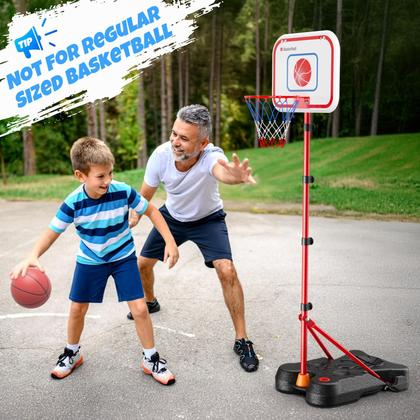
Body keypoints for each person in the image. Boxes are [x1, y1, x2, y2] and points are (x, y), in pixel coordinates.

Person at [11, 137, 179, 385]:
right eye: (100, 176)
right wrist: (33, 255)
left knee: (141, 309)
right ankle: (72, 352)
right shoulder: (73, 202)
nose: (107, 180)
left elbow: (152, 210)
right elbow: (52, 231)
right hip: (91, 259)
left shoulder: (122, 191)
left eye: (110, 173)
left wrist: (170, 241)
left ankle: (150, 358)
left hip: (123, 256)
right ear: (81, 175)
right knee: (78, 308)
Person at [127, 104, 259, 372]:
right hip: (173, 218)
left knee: (227, 269)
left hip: (208, 220)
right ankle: (151, 301)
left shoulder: (212, 155)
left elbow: (222, 171)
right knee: (142, 265)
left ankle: (242, 339)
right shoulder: (160, 156)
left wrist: (234, 177)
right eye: (174, 134)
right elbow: (145, 196)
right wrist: (133, 218)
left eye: (184, 138)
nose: (176, 141)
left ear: (203, 142)